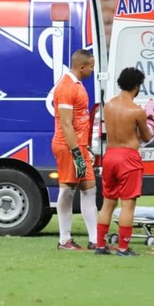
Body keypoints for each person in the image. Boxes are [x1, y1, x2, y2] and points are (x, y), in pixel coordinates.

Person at [94, 67, 154, 256]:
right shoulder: (136, 111)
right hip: (128, 158)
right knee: (128, 205)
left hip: (110, 155)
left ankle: (100, 245)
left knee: (108, 202)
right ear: (137, 86)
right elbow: (147, 137)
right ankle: (123, 248)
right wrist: (151, 121)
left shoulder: (109, 105)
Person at [51, 48, 98, 251]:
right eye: (91, 67)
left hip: (78, 147)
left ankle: (95, 240)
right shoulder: (66, 87)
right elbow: (66, 124)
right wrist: (77, 152)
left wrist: (84, 148)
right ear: (82, 67)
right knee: (68, 189)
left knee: (89, 188)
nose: (92, 70)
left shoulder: (77, 85)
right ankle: (64, 240)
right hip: (68, 147)